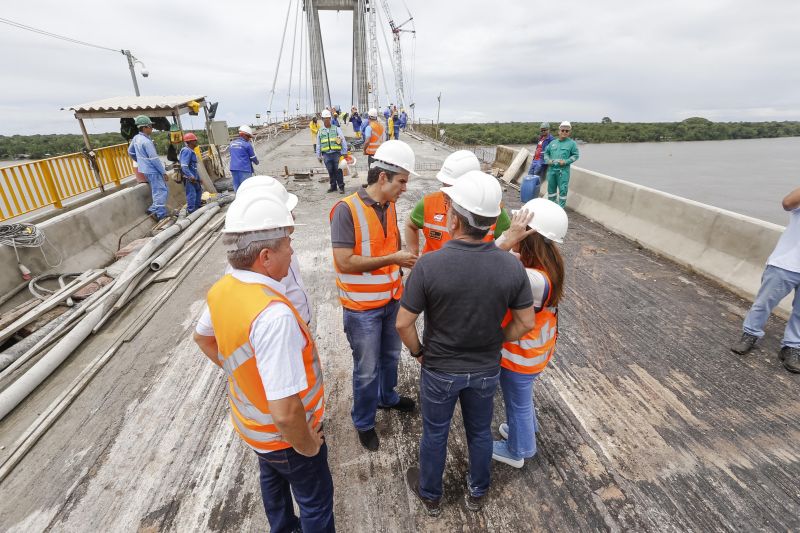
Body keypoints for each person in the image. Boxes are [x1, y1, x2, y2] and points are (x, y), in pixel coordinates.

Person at [193, 189, 333, 532]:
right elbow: (286, 413)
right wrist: (308, 446)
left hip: (252, 428)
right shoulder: (273, 315)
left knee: (272, 482)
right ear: (266, 257)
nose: (292, 250)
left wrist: (246, 378)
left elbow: (203, 338)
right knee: (316, 503)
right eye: (288, 245)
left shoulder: (223, 288)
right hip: (283, 436)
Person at [396, 170, 535, 515]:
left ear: (455, 219)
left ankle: (431, 495)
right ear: (492, 222)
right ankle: (477, 493)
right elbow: (526, 322)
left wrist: (419, 353)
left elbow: (404, 323)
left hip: (440, 368)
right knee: (479, 432)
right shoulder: (510, 267)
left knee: (435, 433)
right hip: (486, 368)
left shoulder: (429, 265)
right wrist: (495, 340)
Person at [329, 140, 419, 452]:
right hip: (362, 309)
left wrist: (400, 267)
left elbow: (388, 245)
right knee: (366, 369)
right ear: (383, 178)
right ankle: (364, 421)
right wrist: (394, 259)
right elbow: (344, 261)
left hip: (391, 300)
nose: (404, 188)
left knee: (391, 357)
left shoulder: (390, 206)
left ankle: (388, 397)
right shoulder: (345, 210)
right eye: (402, 181)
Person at [491, 199, 568, 468]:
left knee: (517, 403)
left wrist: (506, 237)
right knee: (521, 398)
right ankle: (526, 429)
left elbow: (485, 261)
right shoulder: (549, 265)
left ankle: (518, 450)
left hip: (519, 356)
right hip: (537, 352)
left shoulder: (531, 278)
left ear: (528, 238)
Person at [731, 186, 800, 373]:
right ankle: (750, 334)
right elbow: (787, 203)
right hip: (785, 264)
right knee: (763, 303)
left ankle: (793, 346)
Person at [404, 150, 512, 255]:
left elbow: (510, 241)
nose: (445, 193)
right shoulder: (428, 203)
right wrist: (413, 255)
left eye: (450, 187)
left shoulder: (491, 210)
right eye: (444, 185)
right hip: (430, 270)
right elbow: (410, 224)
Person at [236, 175, 312, 324]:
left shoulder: (279, 246)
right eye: (288, 212)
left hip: (297, 325)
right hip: (284, 330)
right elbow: (204, 336)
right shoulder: (248, 265)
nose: (294, 217)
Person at [127, 115, 168, 220]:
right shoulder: (146, 142)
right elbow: (154, 159)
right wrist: (163, 172)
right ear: (144, 127)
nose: (152, 128)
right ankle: (160, 215)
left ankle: (153, 209)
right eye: (150, 126)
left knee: (157, 190)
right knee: (160, 191)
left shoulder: (136, 138)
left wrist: (140, 161)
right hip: (153, 170)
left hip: (145, 170)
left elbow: (130, 152)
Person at [543, 121, 579, 207]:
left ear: (569, 132)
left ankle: (561, 208)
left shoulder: (572, 144)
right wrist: (548, 160)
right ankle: (552, 206)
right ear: (559, 131)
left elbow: (576, 155)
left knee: (563, 190)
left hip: (563, 172)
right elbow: (546, 153)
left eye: (567, 131)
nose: (564, 132)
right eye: (563, 130)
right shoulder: (553, 143)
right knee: (551, 190)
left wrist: (566, 161)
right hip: (551, 170)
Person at [316, 109, 348, 194]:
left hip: (336, 154)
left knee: (338, 171)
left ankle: (341, 187)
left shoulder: (336, 129)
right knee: (330, 171)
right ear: (322, 119)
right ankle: (333, 186)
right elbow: (318, 144)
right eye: (325, 119)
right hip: (326, 154)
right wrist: (318, 155)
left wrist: (345, 152)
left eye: (328, 118)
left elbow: (343, 140)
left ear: (330, 119)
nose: (326, 120)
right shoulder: (320, 131)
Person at [520, 122, 554, 203]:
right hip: (535, 159)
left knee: (535, 176)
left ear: (548, 130)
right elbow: (538, 148)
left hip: (541, 161)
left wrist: (548, 159)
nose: (543, 132)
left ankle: (532, 195)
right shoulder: (541, 138)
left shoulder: (551, 139)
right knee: (529, 175)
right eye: (541, 130)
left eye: (544, 130)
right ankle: (527, 192)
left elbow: (552, 151)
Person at [229, 124, 259, 192]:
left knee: (237, 188)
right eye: (248, 136)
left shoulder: (232, 143)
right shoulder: (247, 145)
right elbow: (253, 157)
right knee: (247, 188)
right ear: (243, 135)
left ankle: (238, 201)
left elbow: (233, 155)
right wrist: (257, 162)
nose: (249, 138)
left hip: (233, 169)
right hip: (244, 169)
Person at [179, 133, 203, 214]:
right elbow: (184, 166)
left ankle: (198, 208)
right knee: (191, 194)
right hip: (189, 178)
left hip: (194, 177)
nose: (196, 141)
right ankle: (192, 211)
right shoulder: (186, 151)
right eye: (194, 140)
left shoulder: (192, 151)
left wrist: (199, 178)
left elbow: (194, 168)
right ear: (190, 141)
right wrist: (190, 176)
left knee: (199, 191)